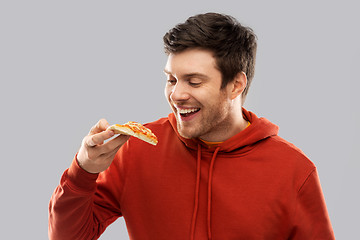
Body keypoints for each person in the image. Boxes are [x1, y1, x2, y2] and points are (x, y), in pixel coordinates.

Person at [48, 12, 335, 240]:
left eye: (194, 81)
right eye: (171, 79)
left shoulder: (294, 171)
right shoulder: (136, 150)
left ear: (236, 84)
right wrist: (83, 170)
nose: (176, 94)